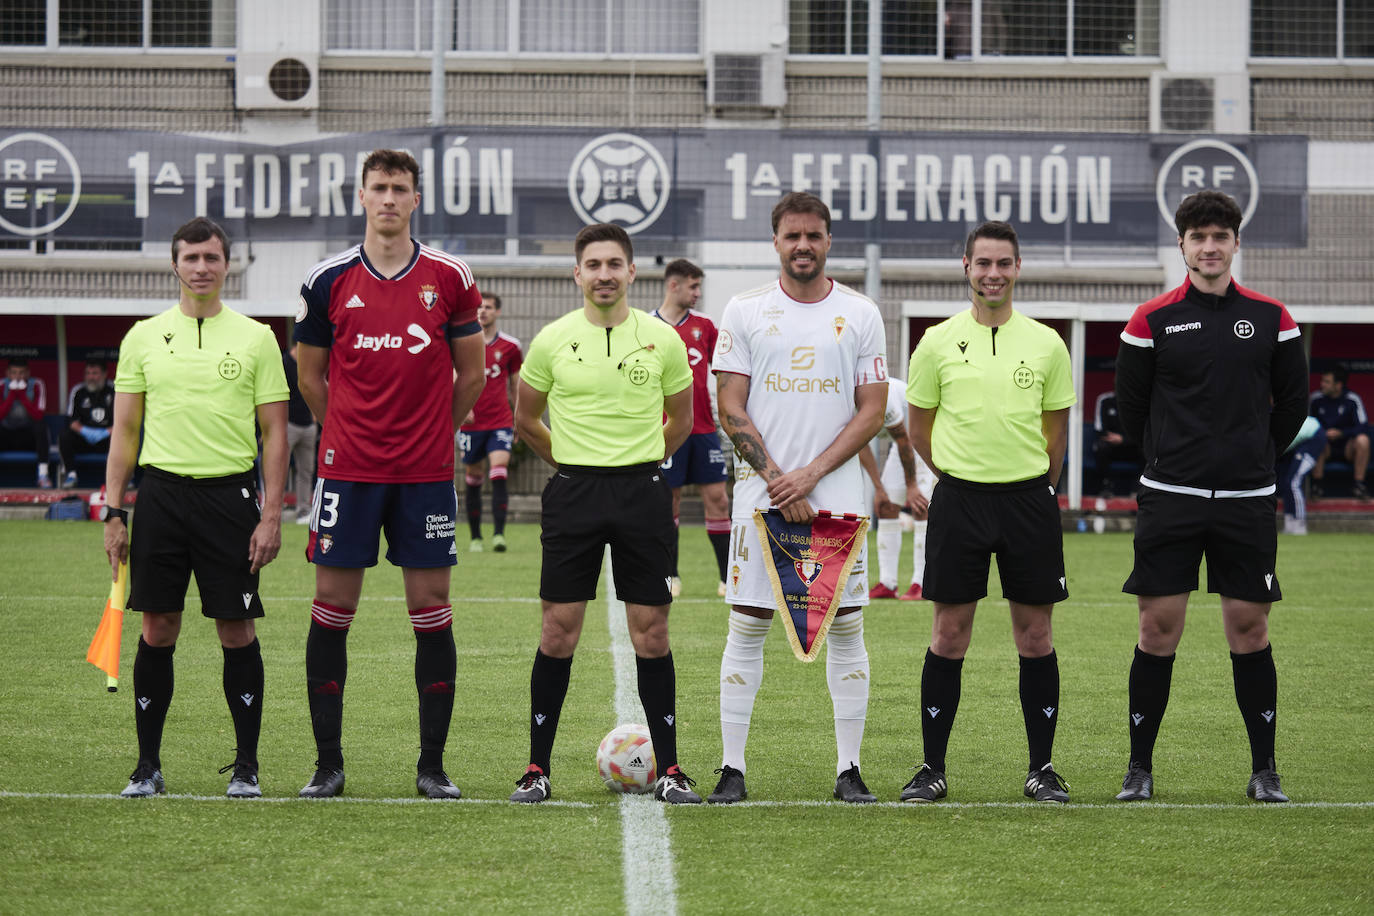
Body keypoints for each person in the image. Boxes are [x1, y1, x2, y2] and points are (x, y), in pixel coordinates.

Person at [294, 149, 486, 800]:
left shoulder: (451, 276)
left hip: (425, 474)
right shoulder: (327, 280)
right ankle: (328, 765)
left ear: (415, 199)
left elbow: (474, 374)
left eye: (399, 189)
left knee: (430, 609)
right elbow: (310, 377)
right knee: (333, 610)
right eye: (378, 188)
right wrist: (345, 432)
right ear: (361, 196)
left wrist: (438, 432)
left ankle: (432, 767)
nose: (388, 199)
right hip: (348, 473)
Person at [1113, 190, 1308, 804]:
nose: (1209, 246)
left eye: (1220, 235)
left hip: (1248, 500)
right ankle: (1139, 770)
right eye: (1198, 236)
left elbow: (1293, 406)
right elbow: (1132, 406)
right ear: (1182, 245)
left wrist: (1253, 458)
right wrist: (1173, 459)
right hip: (1171, 497)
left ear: (1236, 243)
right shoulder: (1152, 320)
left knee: (1249, 629)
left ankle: (1264, 771)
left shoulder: (1274, 318)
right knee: (1157, 628)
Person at [508, 223, 700, 805]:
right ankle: (536, 770)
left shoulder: (661, 340)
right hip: (573, 497)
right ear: (577, 274)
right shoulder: (552, 340)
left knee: (653, 633)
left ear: (632, 272)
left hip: (643, 495)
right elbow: (526, 419)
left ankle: (670, 770)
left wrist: (640, 465)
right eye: (593, 265)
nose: (604, 275)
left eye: (614, 264)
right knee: (558, 632)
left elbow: (683, 421)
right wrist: (569, 462)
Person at [708, 191, 888, 805]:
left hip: (837, 501)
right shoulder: (744, 310)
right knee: (748, 622)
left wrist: (807, 476)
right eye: (792, 236)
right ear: (775, 241)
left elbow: (873, 409)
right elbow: (729, 404)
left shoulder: (861, 313)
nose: (803, 245)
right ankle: (732, 769)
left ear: (828, 240)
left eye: (813, 235)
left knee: (847, 626)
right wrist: (777, 479)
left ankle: (850, 770)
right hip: (760, 501)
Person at [103, 216, 289, 799]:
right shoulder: (142, 336)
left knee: (236, 630)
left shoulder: (258, 337)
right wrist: (114, 511)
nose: (201, 267)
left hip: (229, 499)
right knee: (158, 628)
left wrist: (272, 514)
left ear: (226, 264)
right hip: (159, 498)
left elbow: (275, 435)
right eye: (191, 258)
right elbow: (125, 432)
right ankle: (147, 766)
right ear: (175, 264)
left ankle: (247, 767)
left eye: (211, 257)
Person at [901, 220, 1075, 804]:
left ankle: (1042, 768)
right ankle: (931, 768)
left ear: (1018, 268)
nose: (993, 274)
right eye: (983, 264)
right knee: (949, 634)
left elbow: (1056, 435)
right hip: (960, 501)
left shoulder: (1048, 343)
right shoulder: (936, 341)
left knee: (1035, 635)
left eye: (1004, 263)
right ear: (967, 268)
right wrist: (957, 472)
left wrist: (1037, 488)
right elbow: (920, 429)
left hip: (1028, 502)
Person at [652, 259, 731, 598]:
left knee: (718, 499)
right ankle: (670, 575)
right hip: (664, 430)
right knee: (668, 502)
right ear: (674, 285)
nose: (698, 293)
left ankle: (729, 579)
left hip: (703, 429)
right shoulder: (644, 326)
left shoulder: (705, 327)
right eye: (693, 286)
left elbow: (725, 374)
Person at [458, 293, 522, 552]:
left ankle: (498, 535)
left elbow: (516, 384)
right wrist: (461, 409)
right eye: (479, 308)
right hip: (471, 424)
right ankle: (475, 537)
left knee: (498, 471)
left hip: (500, 421)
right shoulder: (462, 344)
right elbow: (453, 376)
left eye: (489, 307)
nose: (483, 311)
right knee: (473, 476)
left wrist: (518, 416)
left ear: (497, 312)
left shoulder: (510, 346)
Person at [862, 375, 933, 601]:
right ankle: (887, 583)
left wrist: (912, 486)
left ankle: (921, 584)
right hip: (902, 442)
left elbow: (904, 439)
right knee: (886, 506)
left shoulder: (884, 392)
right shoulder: (845, 400)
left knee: (922, 506)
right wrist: (878, 487)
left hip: (925, 437)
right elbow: (860, 445)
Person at [1309, 365, 1370, 501]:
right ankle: (1317, 486)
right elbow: (1306, 424)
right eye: (1322, 381)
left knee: (1363, 440)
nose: (1322, 384)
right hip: (1325, 447)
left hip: (1348, 448)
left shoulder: (1352, 399)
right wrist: (1322, 433)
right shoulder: (1316, 399)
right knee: (1315, 439)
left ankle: (1359, 485)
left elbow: (1364, 427)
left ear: (1338, 385)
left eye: (1326, 382)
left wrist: (1341, 433)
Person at [59, 358, 115, 489]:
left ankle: (124, 478)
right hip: (84, 438)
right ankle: (71, 475)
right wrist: (85, 431)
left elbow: (124, 420)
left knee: (124, 437)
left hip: (107, 438)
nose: (91, 377)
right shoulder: (79, 391)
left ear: (104, 374)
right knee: (65, 435)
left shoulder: (115, 390)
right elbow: (70, 421)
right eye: (88, 373)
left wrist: (106, 432)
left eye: (95, 373)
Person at [1, 357, 51, 488]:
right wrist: (12, 394)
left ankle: (43, 475)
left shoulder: (36, 384)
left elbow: (38, 415)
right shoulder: (1, 385)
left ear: (28, 373)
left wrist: (22, 395)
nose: (18, 377)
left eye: (22, 373)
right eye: (14, 373)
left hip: (29, 437)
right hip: (7, 436)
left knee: (41, 427)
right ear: (8, 373)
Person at [282, 343, 316, 524]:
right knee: (280, 468)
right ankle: (275, 509)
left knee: (306, 470)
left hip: (307, 425)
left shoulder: (309, 363)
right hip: (289, 424)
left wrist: (314, 417)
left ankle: (303, 511)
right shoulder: (285, 362)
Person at [1278, 417, 1324, 535]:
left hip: (1314, 437)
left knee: (1293, 482)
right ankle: (1290, 524)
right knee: (1285, 482)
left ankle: (1300, 524)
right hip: (1294, 445)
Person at [1091, 390, 1142, 498]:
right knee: (1100, 447)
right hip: (1111, 445)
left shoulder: (1138, 400)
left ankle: (1139, 488)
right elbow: (1099, 428)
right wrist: (1114, 438)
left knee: (1147, 448)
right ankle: (1106, 486)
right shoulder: (1105, 400)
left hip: (1131, 446)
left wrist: (1123, 439)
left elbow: (1142, 431)